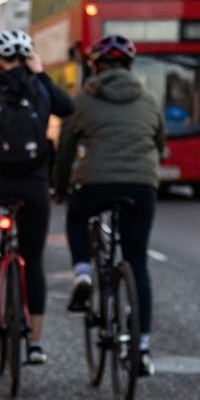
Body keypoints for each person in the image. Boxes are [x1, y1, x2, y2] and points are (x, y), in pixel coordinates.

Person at [0, 29, 75, 365]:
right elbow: (67, 109)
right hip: (34, 185)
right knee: (33, 262)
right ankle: (35, 343)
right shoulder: (40, 88)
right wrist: (41, 74)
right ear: (27, 58)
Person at [53, 34, 165, 377]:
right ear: (130, 67)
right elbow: (160, 144)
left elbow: (66, 149)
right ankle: (141, 348)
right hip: (141, 185)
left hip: (95, 182)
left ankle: (83, 273)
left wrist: (60, 188)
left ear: (95, 67)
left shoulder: (83, 100)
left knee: (76, 216)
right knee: (137, 261)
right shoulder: (148, 99)